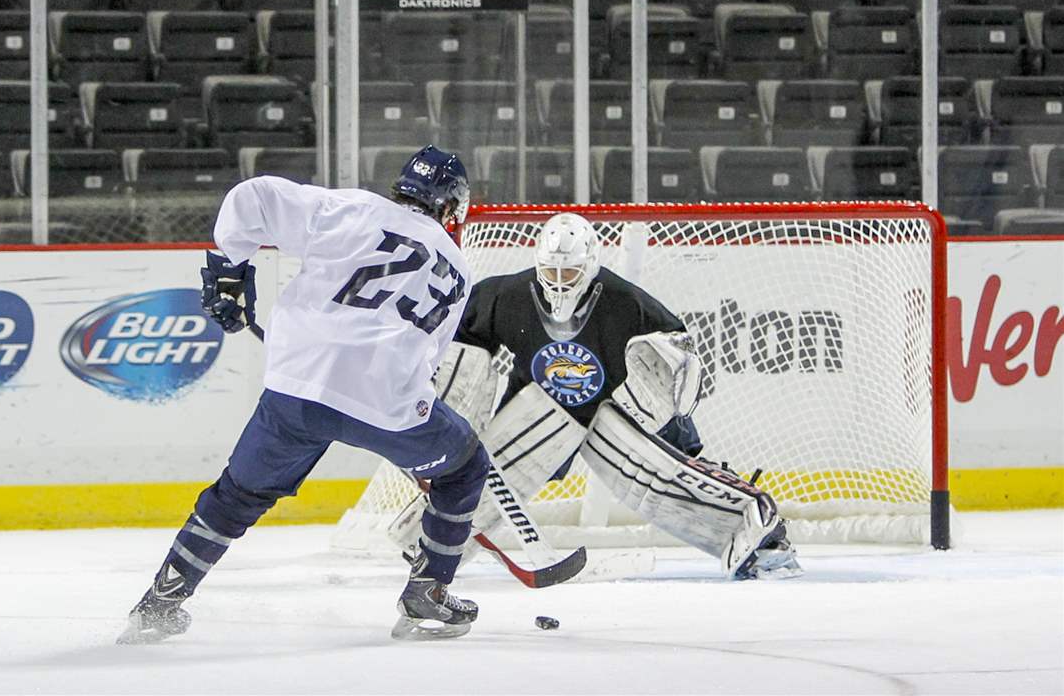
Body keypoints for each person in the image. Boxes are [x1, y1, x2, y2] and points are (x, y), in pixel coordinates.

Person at [118, 145, 490, 644]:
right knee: (464, 467)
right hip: (386, 404)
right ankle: (427, 592)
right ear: (452, 206)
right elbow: (429, 358)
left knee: (237, 494)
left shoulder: (353, 208)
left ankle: (159, 604)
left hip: (295, 389)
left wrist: (231, 268)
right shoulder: (460, 269)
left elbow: (254, 196)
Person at [411, 212, 801, 580]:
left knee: (654, 483)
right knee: (479, 474)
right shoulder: (509, 295)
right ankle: (436, 543)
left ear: (591, 264)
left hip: (610, 415)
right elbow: (456, 336)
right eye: (551, 271)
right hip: (537, 413)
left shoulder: (625, 302)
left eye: (570, 271)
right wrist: (439, 413)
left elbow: (675, 358)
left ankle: (758, 530)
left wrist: (670, 415)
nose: (560, 281)